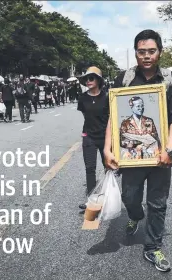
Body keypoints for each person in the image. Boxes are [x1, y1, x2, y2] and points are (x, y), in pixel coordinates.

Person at [104, 29, 172, 272]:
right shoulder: (125, 79)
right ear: (136, 53)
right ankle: (135, 216)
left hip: (160, 158)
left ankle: (153, 248)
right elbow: (112, 117)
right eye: (142, 52)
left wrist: (169, 149)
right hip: (131, 161)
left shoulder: (171, 80)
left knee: (158, 204)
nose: (146, 56)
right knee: (130, 198)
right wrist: (107, 149)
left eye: (151, 51)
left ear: (159, 52)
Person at [77, 66, 109, 209]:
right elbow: (86, 117)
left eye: (91, 78)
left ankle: (109, 197)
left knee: (109, 168)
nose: (88, 81)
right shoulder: (82, 98)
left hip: (105, 137)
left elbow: (110, 118)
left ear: (98, 80)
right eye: (86, 79)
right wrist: (85, 133)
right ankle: (91, 199)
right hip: (89, 137)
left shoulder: (107, 97)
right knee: (90, 169)